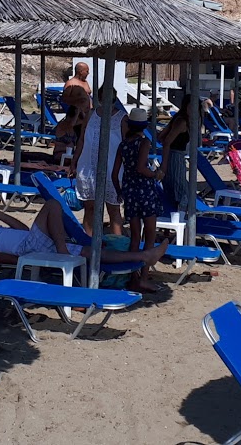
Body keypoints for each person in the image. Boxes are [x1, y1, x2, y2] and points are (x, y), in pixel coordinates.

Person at [0, 198, 168, 269]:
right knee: (52, 205)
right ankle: (62, 248)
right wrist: (25, 262)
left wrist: (0, 215)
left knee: (90, 251)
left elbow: (24, 231)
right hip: (29, 250)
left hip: (33, 243)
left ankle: (144, 256)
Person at [111, 108, 166, 292]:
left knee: (135, 237)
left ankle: (133, 276)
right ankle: (143, 277)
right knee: (149, 236)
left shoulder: (122, 145)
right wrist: (156, 174)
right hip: (145, 192)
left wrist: (120, 192)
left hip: (130, 192)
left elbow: (114, 174)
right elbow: (142, 168)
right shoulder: (144, 142)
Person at [74, 99, 125, 237]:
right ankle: (89, 241)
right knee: (90, 208)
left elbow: (126, 145)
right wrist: (74, 162)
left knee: (113, 209)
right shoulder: (91, 115)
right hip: (89, 166)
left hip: (112, 168)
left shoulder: (122, 118)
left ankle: (117, 245)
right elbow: (82, 140)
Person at [53, 63, 93, 164]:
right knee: (77, 141)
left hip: (87, 116)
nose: (88, 73)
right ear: (80, 71)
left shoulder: (85, 82)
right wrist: (78, 103)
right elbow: (64, 99)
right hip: (76, 118)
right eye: (86, 71)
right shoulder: (71, 84)